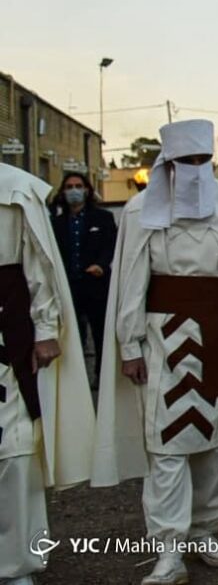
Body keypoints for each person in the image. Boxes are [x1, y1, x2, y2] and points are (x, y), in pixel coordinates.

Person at [91, 119, 218, 585]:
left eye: (203, 160)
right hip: (162, 339)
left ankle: (205, 531)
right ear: (169, 165)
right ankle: (169, 550)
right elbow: (131, 283)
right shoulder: (142, 211)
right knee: (165, 447)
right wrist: (128, 344)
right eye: (186, 162)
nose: (195, 170)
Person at [0, 163, 95, 585]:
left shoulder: (14, 190)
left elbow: (39, 265)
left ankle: (18, 563)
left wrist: (44, 329)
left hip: (7, 339)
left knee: (16, 451)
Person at [50, 171, 117, 381]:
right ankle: (76, 379)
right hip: (70, 285)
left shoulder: (103, 218)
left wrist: (101, 265)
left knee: (100, 333)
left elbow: (111, 245)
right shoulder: (57, 223)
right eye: (69, 187)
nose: (74, 191)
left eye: (78, 186)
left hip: (96, 284)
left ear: (87, 189)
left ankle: (101, 375)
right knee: (73, 333)